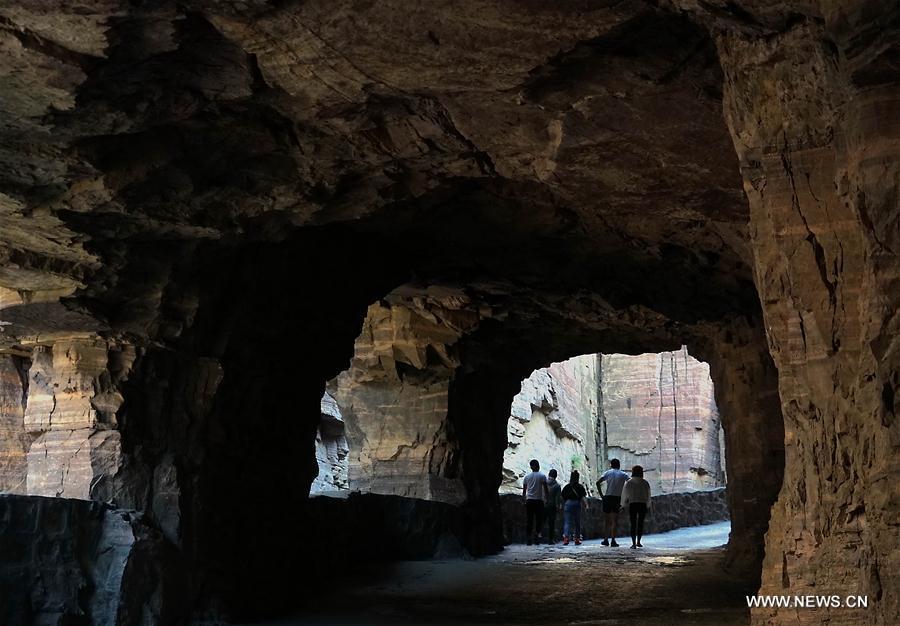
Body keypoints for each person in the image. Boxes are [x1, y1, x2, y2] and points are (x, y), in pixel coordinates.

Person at [596, 458, 629, 547]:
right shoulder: (623, 474)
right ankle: (613, 540)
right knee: (615, 520)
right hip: (617, 498)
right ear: (619, 465)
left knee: (607, 521)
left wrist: (602, 495)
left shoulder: (608, 473)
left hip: (607, 497)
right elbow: (629, 483)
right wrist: (626, 495)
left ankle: (606, 539)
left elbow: (598, 482)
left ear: (611, 465)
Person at [621, 465, 651, 548]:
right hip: (642, 504)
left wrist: (623, 505)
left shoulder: (629, 482)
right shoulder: (645, 482)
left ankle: (633, 543)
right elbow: (648, 495)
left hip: (633, 504)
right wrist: (648, 505)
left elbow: (624, 495)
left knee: (633, 523)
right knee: (640, 523)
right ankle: (639, 541)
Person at [522, 459, 549, 545]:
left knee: (529, 520)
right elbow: (545, 489)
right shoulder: (542, 476)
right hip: (538, 501)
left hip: (529, 500)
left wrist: (524, 500)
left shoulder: (526, 477)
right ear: (538, 465)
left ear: (531, 467)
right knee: (538, 520)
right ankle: (537, 537)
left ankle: (528, 538)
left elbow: (524, 491)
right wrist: (547, 499)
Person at [561, 470, 587, 546]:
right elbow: (583, 497)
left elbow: (562, 496)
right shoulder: (580, 487)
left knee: (567, 522)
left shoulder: (567, 486)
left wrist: (562, 504)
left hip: (568, 503)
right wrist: (586, 505)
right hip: (576, 503)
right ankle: (577, 539)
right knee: (577, 522)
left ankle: (566, 538)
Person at [544, 469, 562, 543]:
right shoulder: (557, 485)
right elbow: (558, 498)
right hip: (552, 505)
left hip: (543, 504)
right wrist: (559, 506)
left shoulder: (544, 483)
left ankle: (537, 538)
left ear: (549, 474)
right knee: (551, 523)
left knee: (541, 522)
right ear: (556, 476)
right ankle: (551, 539)